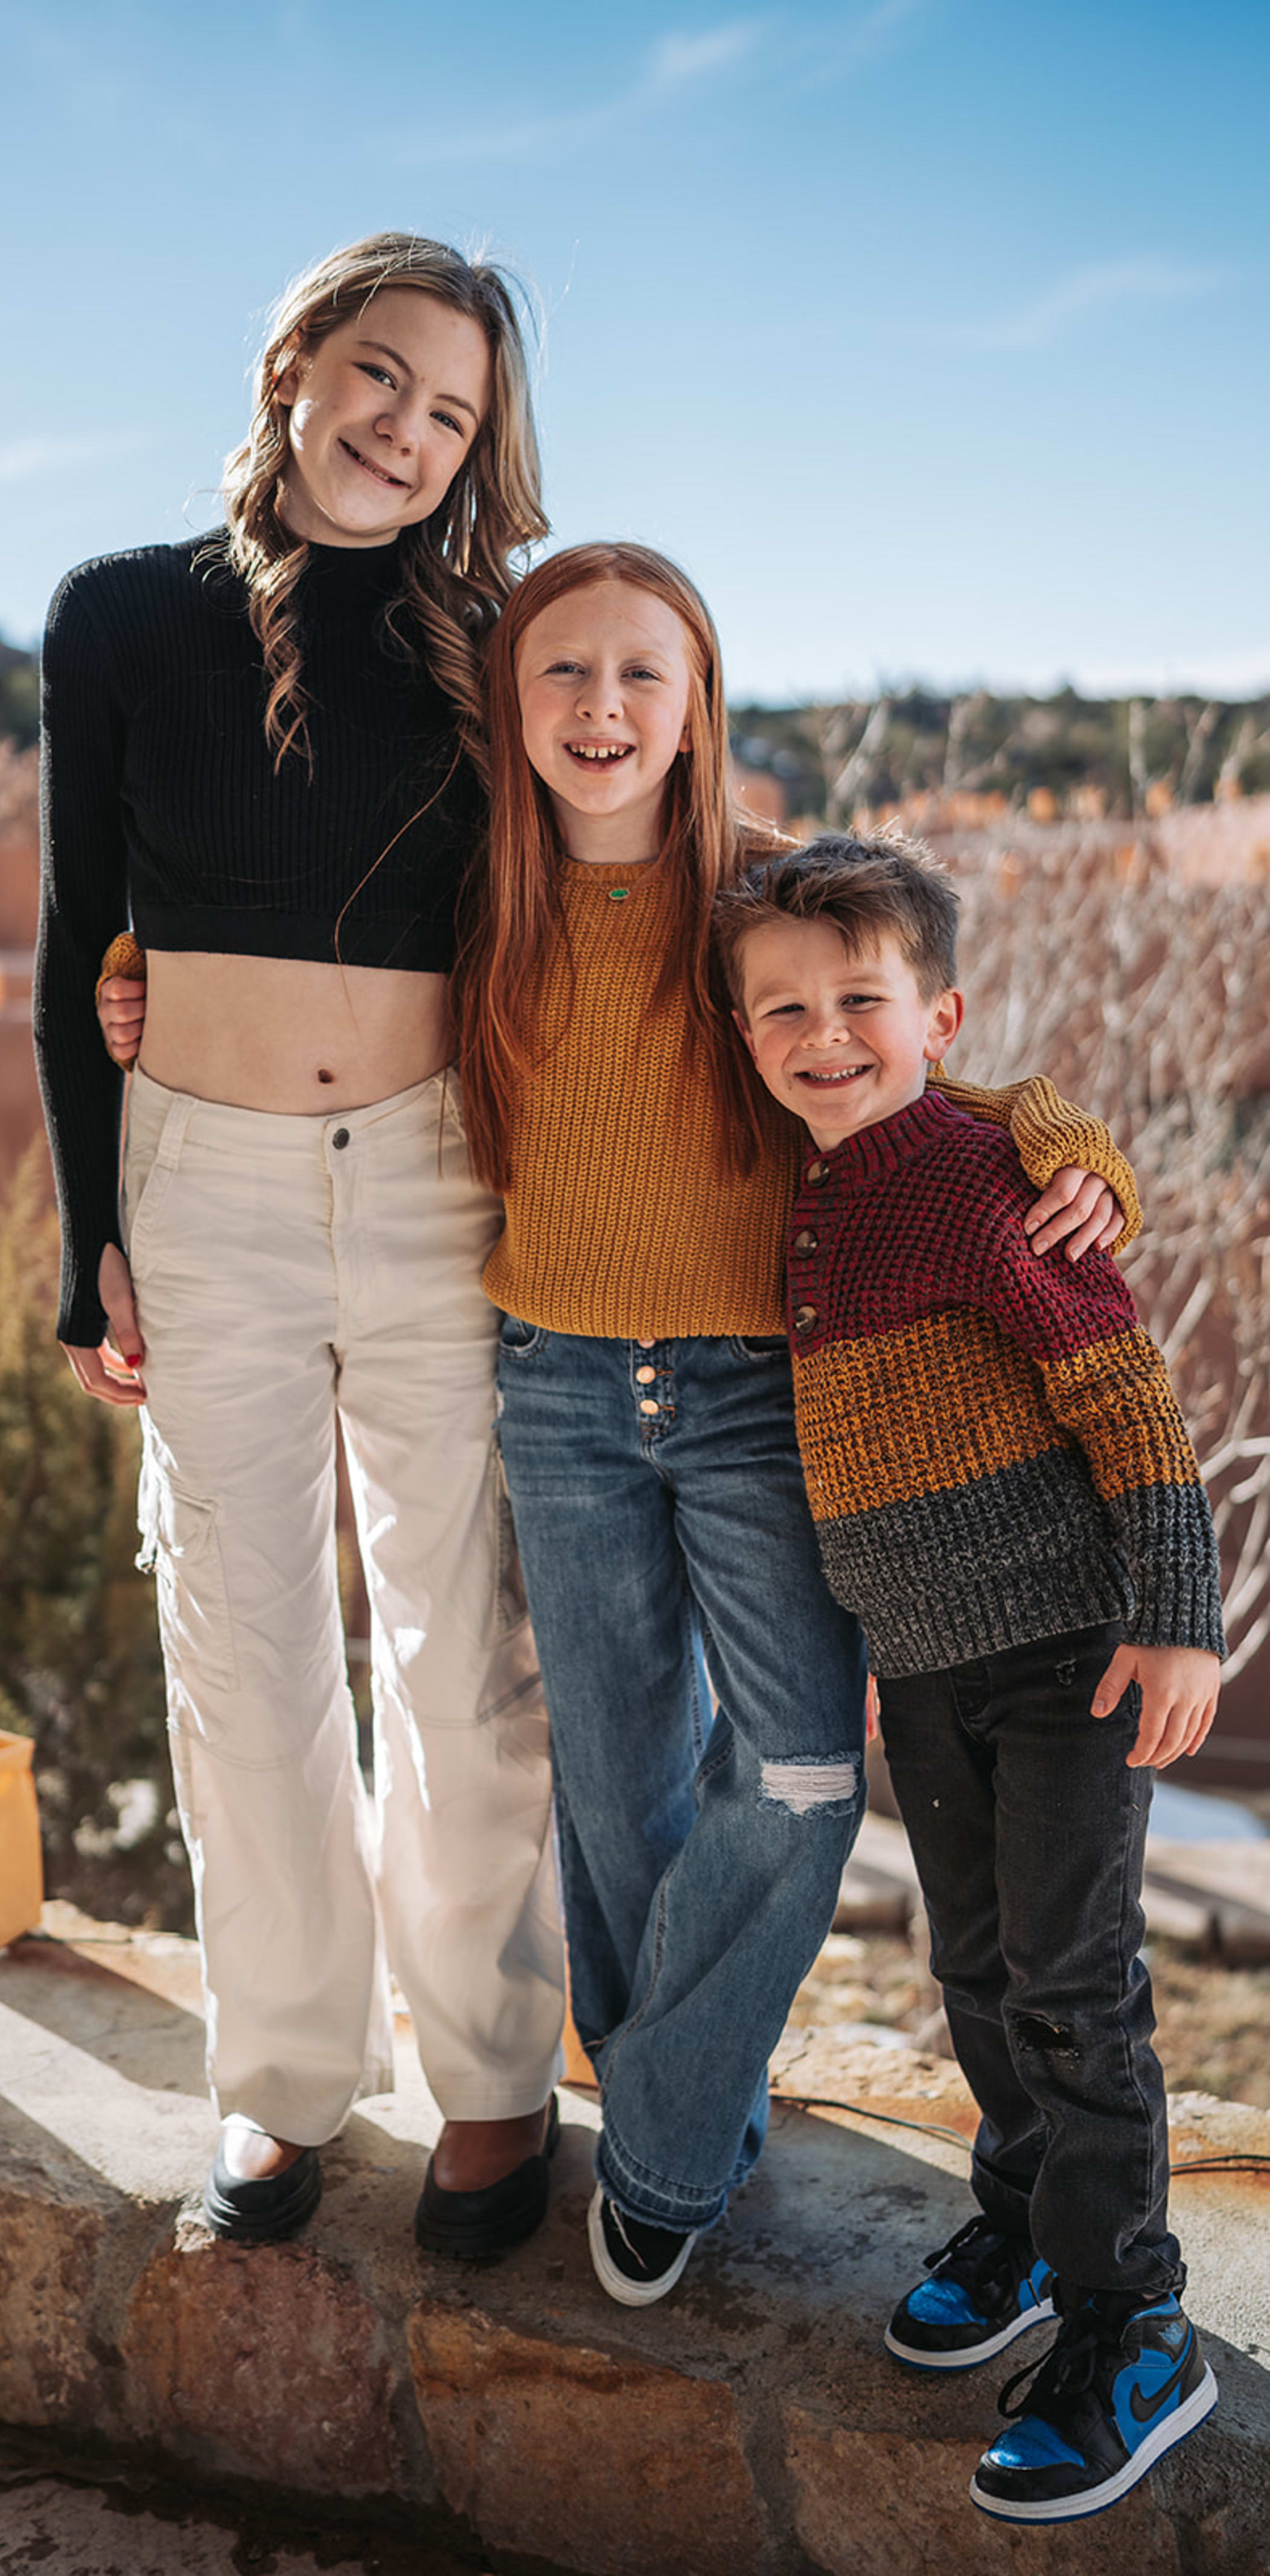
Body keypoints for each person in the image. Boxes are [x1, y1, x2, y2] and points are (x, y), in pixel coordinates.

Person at [447, 542, 1139, 2310]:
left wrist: (1069, 1141)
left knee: (805, 1766)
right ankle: (689, 2127)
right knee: (615, 1787)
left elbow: (922, 1060)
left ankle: (662, 2130)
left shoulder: (758, 893)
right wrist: (138, 966)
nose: (604, 711)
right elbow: (287, 958)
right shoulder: (473, 894)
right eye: (565, 672)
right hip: (558, 1385)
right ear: (510, 699)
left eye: (644, 676)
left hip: (767, 1387)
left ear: (699, 703)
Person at [35, 232, 564, 2260]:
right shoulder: (116, 614)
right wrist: (93, 1231)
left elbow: (627, 863)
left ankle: (494, 2080)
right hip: (208, 1183)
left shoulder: (493, 635)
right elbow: (84, 923)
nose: (406, 434)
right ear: (293, 365)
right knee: (245, 1644)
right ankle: (278, 2084)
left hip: (445, 1178)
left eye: (452, 416)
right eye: (380, 378)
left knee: (464, 1641)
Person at [716, 829, 1222, 2524]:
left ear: (938, 1011)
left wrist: (1176, 1609)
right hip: (925, 1673)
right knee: (982, 1963)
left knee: (1077, 1984)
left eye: (861, 999)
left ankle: (1133, 2317)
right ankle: (1023, 2208)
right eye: (780, 1007)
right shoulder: (819, 1193)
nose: (822, 1034)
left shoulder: (989, 1176)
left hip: (1070, 1655)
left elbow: (1131, 1396)